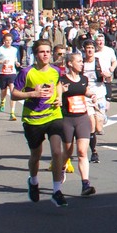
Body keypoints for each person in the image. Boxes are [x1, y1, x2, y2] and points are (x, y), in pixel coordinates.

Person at [11, 40, 69, 207]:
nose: (45, 55)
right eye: (42, 52)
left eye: (48, 52)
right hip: (33, 119)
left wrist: (59, 98)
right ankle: (34, 181)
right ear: (36, 54)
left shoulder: (55, 70)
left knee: (57, 152)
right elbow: (14, 94)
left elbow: (58, 84)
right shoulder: (27, 72)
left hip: (53, 115)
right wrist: (32, 94)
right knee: (36, 154)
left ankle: (56, 191)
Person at [59, 51, 98, 197]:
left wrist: (92, 95)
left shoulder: (83, 79)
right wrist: (61, 93)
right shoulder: (62, 80)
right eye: (79, 61)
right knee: (68, 152)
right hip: (67, 120)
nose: (82, 64)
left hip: (82, 118)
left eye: (82, 61)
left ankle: (85, 184)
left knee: (82, 152)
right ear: (70, 63)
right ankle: (62, 167)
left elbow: (85, 90)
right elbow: (56, 97)